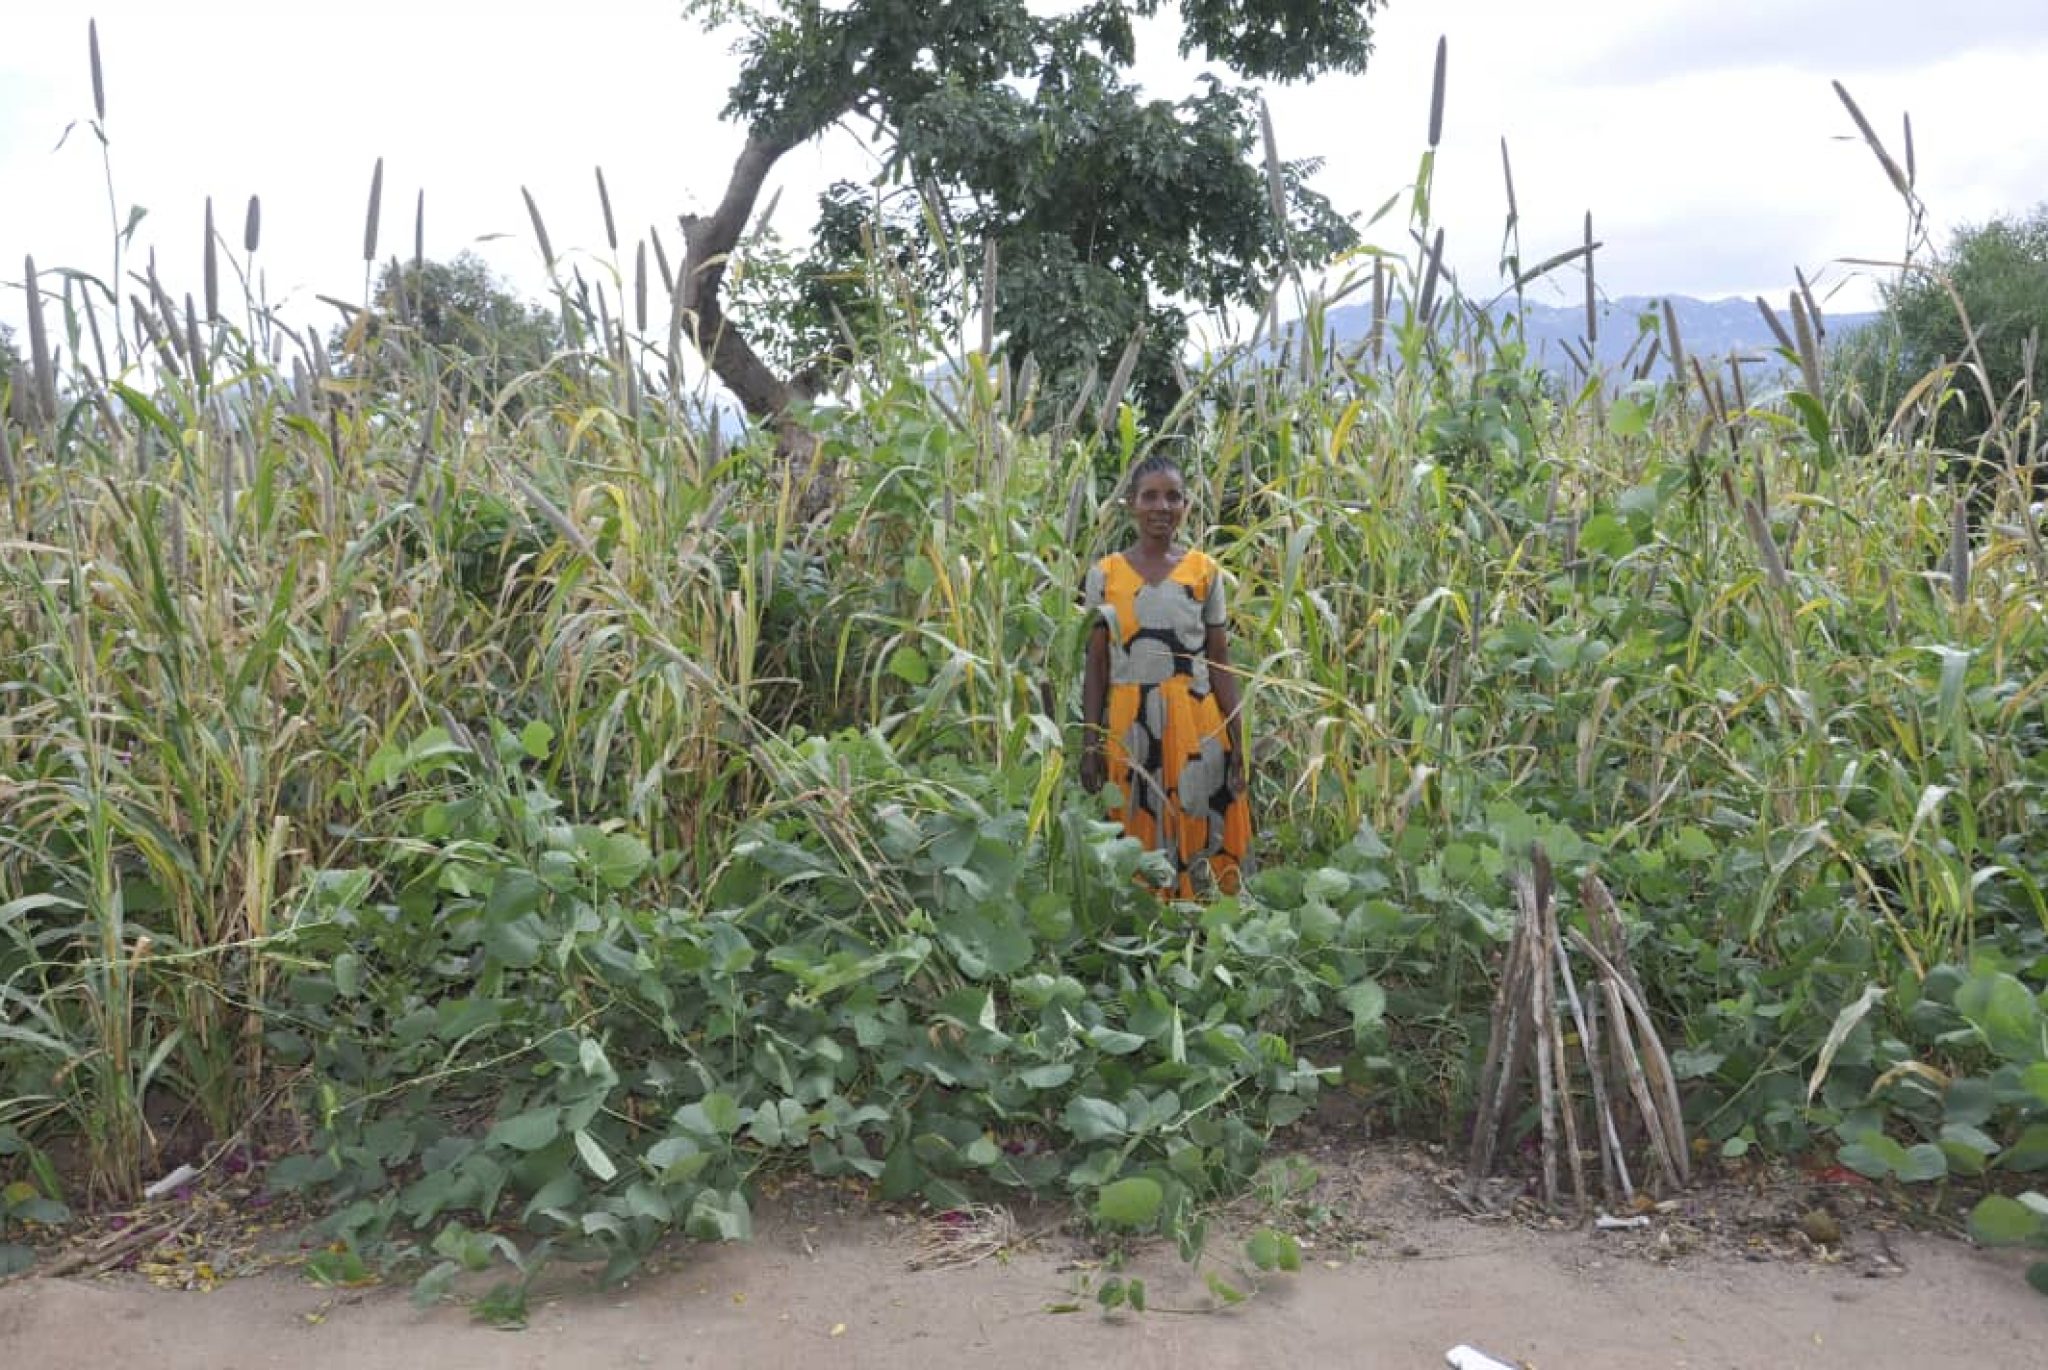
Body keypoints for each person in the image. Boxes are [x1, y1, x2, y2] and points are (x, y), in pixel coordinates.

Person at [1080, 453, 1252, 897]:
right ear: (1131, 504)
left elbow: (1219, 661)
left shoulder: (1204, 572)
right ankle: (1143, 928)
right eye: (1150, 496)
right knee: (1135, 822)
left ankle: (1201, 923)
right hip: (1128, 722)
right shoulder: (1106, 575)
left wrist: (1237, 739)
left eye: (1173, 496)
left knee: (1197, 815)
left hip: (1196, 721)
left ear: (1186, 506)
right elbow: (1097, 665)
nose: (1162, 506)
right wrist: (1091, 741)